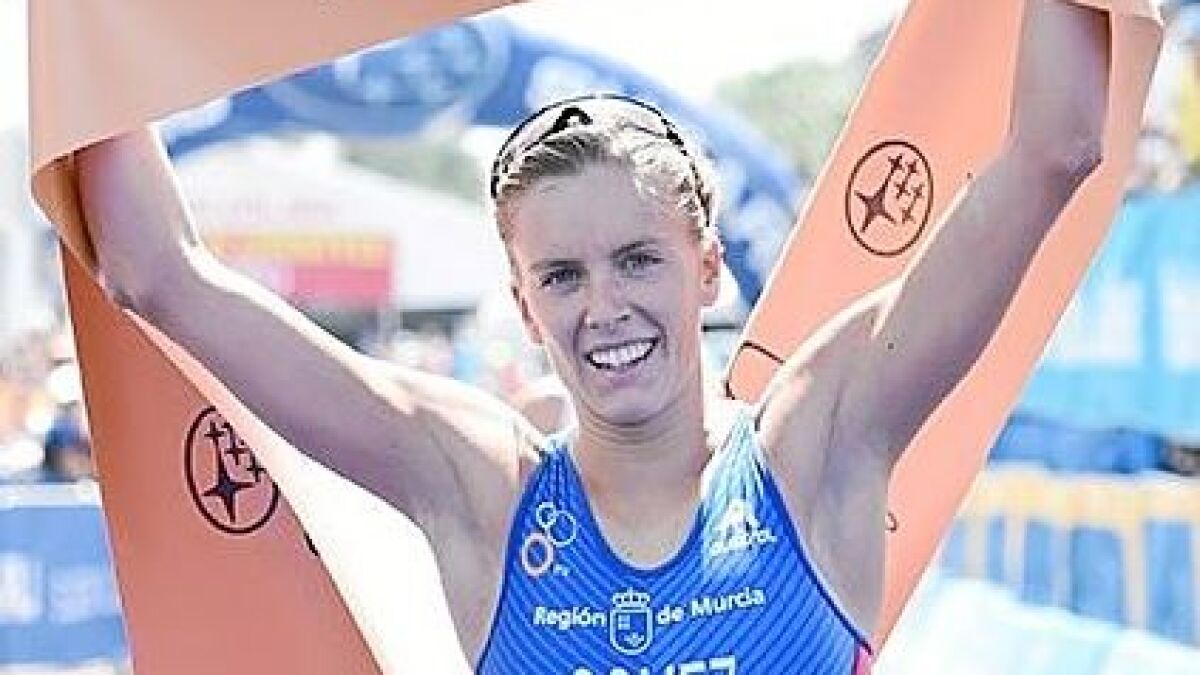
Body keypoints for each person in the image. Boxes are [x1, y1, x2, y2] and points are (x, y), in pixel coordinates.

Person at [77, 1, 1109, 672]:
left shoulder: (816, 446)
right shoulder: (480, 488)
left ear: (709, 266)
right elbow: (154, 269)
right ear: (524, 305)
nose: (603, 306)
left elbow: (1056, 148)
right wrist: (83, 34)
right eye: (562, 276)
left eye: (639, 259)